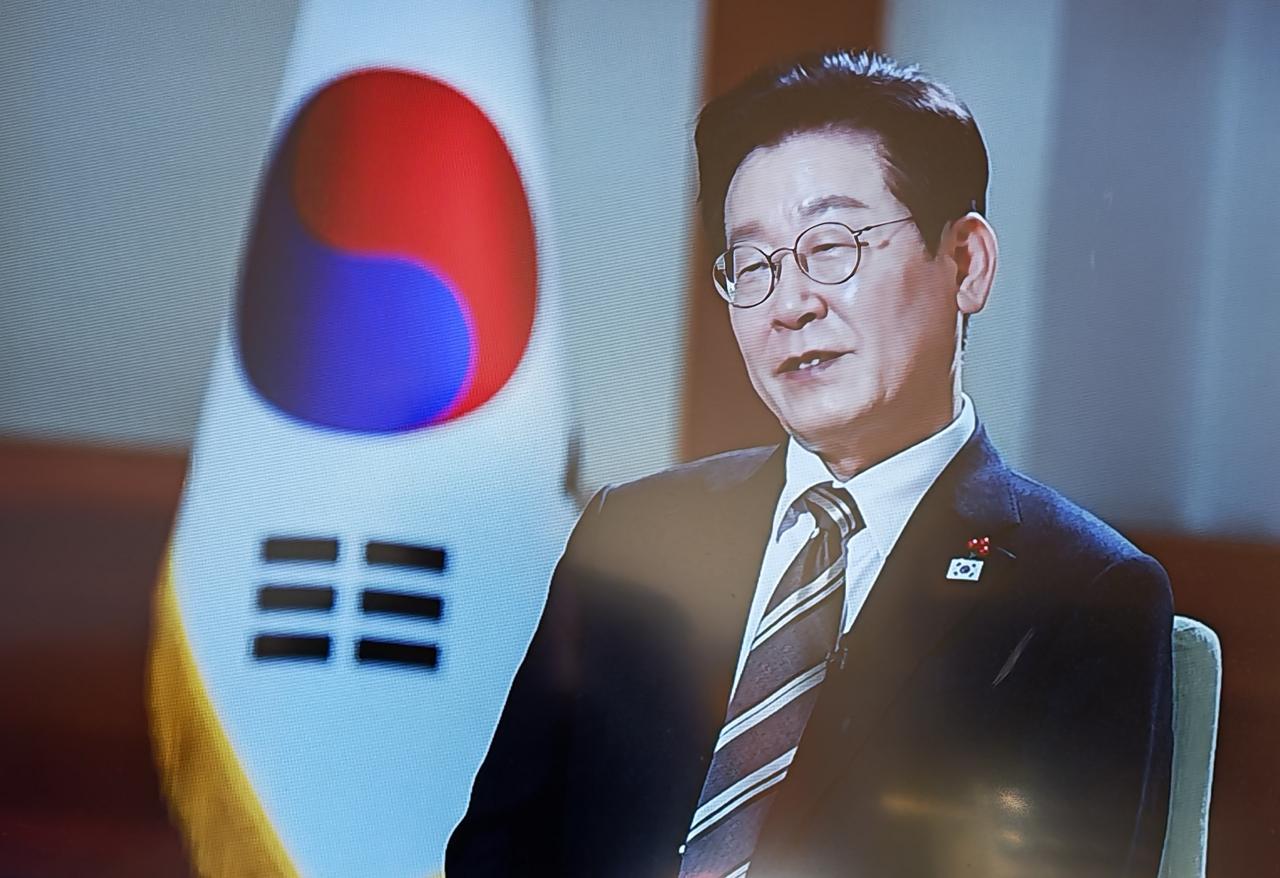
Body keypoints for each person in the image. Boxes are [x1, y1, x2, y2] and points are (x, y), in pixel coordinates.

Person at [446, 49, 1173, 878]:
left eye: (832, 246)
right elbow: (495, 854)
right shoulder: (633, 535)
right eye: (753, 264)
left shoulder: (1084, 591)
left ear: (966, 264)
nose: (790, 305)